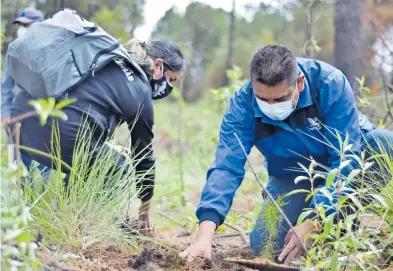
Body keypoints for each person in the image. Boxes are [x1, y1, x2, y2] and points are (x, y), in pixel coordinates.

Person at [180, 45, 393, 265]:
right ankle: (320, 233)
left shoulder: (329, 84)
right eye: (263, 100)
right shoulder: (242, 105)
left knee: (386, 144)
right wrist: (204, 236)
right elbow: (226, 167)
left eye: (280, 99)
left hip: (347, 169)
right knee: (266, 245)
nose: (270, 106)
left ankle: (339, 220)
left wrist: (313, 222)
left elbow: (345, 159)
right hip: (292, 175)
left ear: (299, 83)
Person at [10, 38, 184, 233]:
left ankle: (40, 214)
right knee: (117, 167)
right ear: (158, 65)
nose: (169, 86)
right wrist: (145, 213)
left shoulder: (109, 56)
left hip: (21, 119)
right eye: (171, 80)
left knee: (94, 157)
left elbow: (83, 107)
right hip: (59, 133)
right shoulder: (140, 88)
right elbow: (143, 156)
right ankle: (74, 224)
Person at [2, 7, 44, 124]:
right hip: (17, 112)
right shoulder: (13, 50)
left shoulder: (48, 52)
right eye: (20, 25)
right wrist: (5, 113)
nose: (21, 29)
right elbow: (6, 85)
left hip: (41, 113)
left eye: (26, 25)